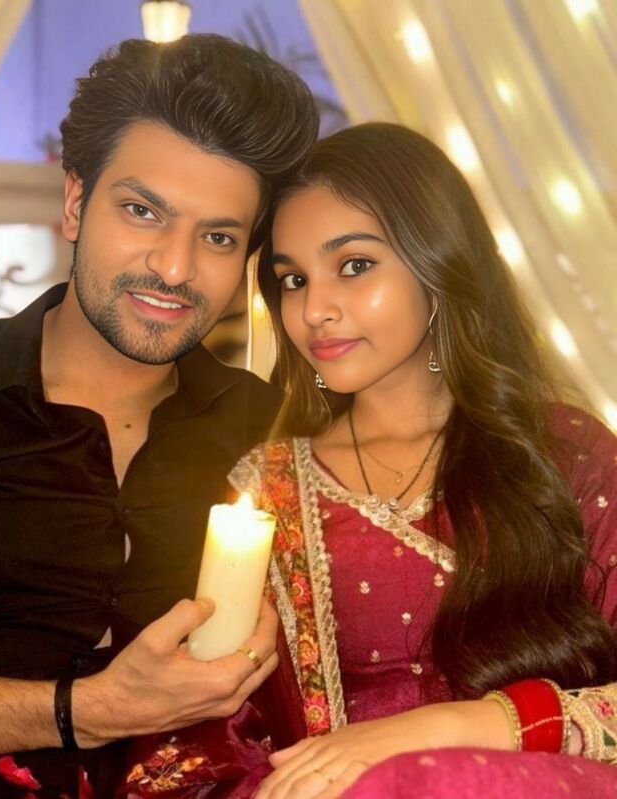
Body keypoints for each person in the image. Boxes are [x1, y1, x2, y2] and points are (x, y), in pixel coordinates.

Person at [122, 123, 617, 798]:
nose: (314, 309)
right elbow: (213, 737)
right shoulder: (269, 490)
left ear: (438, 267)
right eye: (293, 279)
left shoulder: (566, 454)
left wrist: (450, 729)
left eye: (354, 265)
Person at [0, 34, 318, 798]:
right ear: (74, 202)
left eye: (218, 236)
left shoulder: (275, 433)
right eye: (142, 211)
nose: (174, 266)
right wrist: (86, 710)